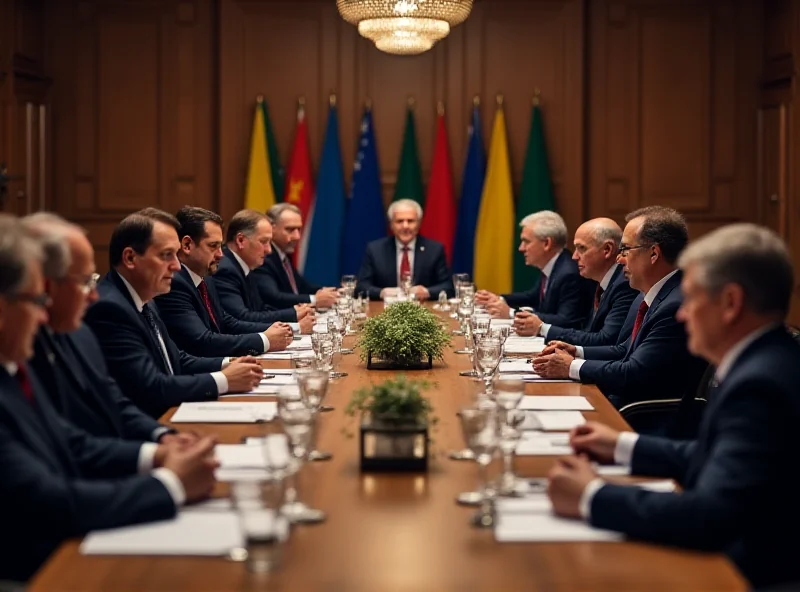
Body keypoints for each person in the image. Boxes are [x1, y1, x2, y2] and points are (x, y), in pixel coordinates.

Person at [546, 223, 800, 590]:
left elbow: (711, 517)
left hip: (745, 573)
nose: (682, 314)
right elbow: (712, 454)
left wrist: (592, 495)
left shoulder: (761, 384)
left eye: (693, 298)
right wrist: (621, 445)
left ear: (730, 303)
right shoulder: (764, 361)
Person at [0, 216, 218, 582]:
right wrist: (170, 484)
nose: (43, 313)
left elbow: (70, 439)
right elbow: (46, 501)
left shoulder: (22, 359)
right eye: (38, 298)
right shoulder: (28, 352)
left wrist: (158, 451)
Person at [23, 213, 191, 443]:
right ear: (46, 286)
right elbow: (70, 445)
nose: (93, 295)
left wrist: (163, 437)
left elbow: (114, 402)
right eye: (85, 281)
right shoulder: (106, 310)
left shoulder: (80, 335)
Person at [84, 208, 263, 419]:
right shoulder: (110, 309)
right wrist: (223, 381)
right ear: (130, 258)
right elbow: (151, 387)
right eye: (166, 255)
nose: (177, 266)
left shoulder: (144, 298)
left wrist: (229, 364)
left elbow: (175, 359)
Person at [533, 206, 706, 408]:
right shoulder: (649, 295)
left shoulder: (674, 306)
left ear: (653, 253)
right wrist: (576, 351)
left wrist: (571, 366)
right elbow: (623, 349)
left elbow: (633, 373)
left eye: (625, 249)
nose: (619, 258)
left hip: (643, 417)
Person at [155, 206, 294, 358]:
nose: (221, 254)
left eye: (220, 246)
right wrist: (264, 340)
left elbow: (226, 321)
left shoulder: (205, 276)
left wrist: (274, 330)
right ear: (187, 245)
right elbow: (202, 342)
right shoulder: (175, 283)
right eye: (213, 246)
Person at [515, 218, 638, 346]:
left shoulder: (624, 284)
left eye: (582, 248)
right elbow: (588, 331)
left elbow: (605, 340)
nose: (574, 256)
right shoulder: (603, 281)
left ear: (607, 249)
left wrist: (543, 328)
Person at [476, 210, 594, 328]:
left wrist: (512, 313)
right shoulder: (554, 263)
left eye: (526, 241)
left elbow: (566, 321)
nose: (521, 248)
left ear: (547, 243)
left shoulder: (569, 273)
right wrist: (499, 299)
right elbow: (533, 297)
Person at [211, 209, 313, 325]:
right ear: (240, 240)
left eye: (270, 242)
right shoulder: (225, 269)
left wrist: (294, 313)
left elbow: (260, 308)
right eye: (264, 242)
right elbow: (242, 317)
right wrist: (293, 318)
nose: (269, 250)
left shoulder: (244, 264)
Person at [356, 199, 452, 301]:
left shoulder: (434, 249)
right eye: (399, 221)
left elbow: (448, 287)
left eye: (410, 221)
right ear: (391, 225)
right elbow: (361, 287)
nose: (405, 226)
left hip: (424, 311)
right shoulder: (375, 250)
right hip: (385, 311)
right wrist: (381, 292)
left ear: (419, 224)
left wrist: (426, 292)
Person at [251, 203, 339, 308]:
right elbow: (274, 297)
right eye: (290, 229)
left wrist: (333, 292)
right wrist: (314, 300)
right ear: (272, 229)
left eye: (299, 229)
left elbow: (302, 286)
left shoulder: (284, 253)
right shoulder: (264, 255)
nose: (297, 236)